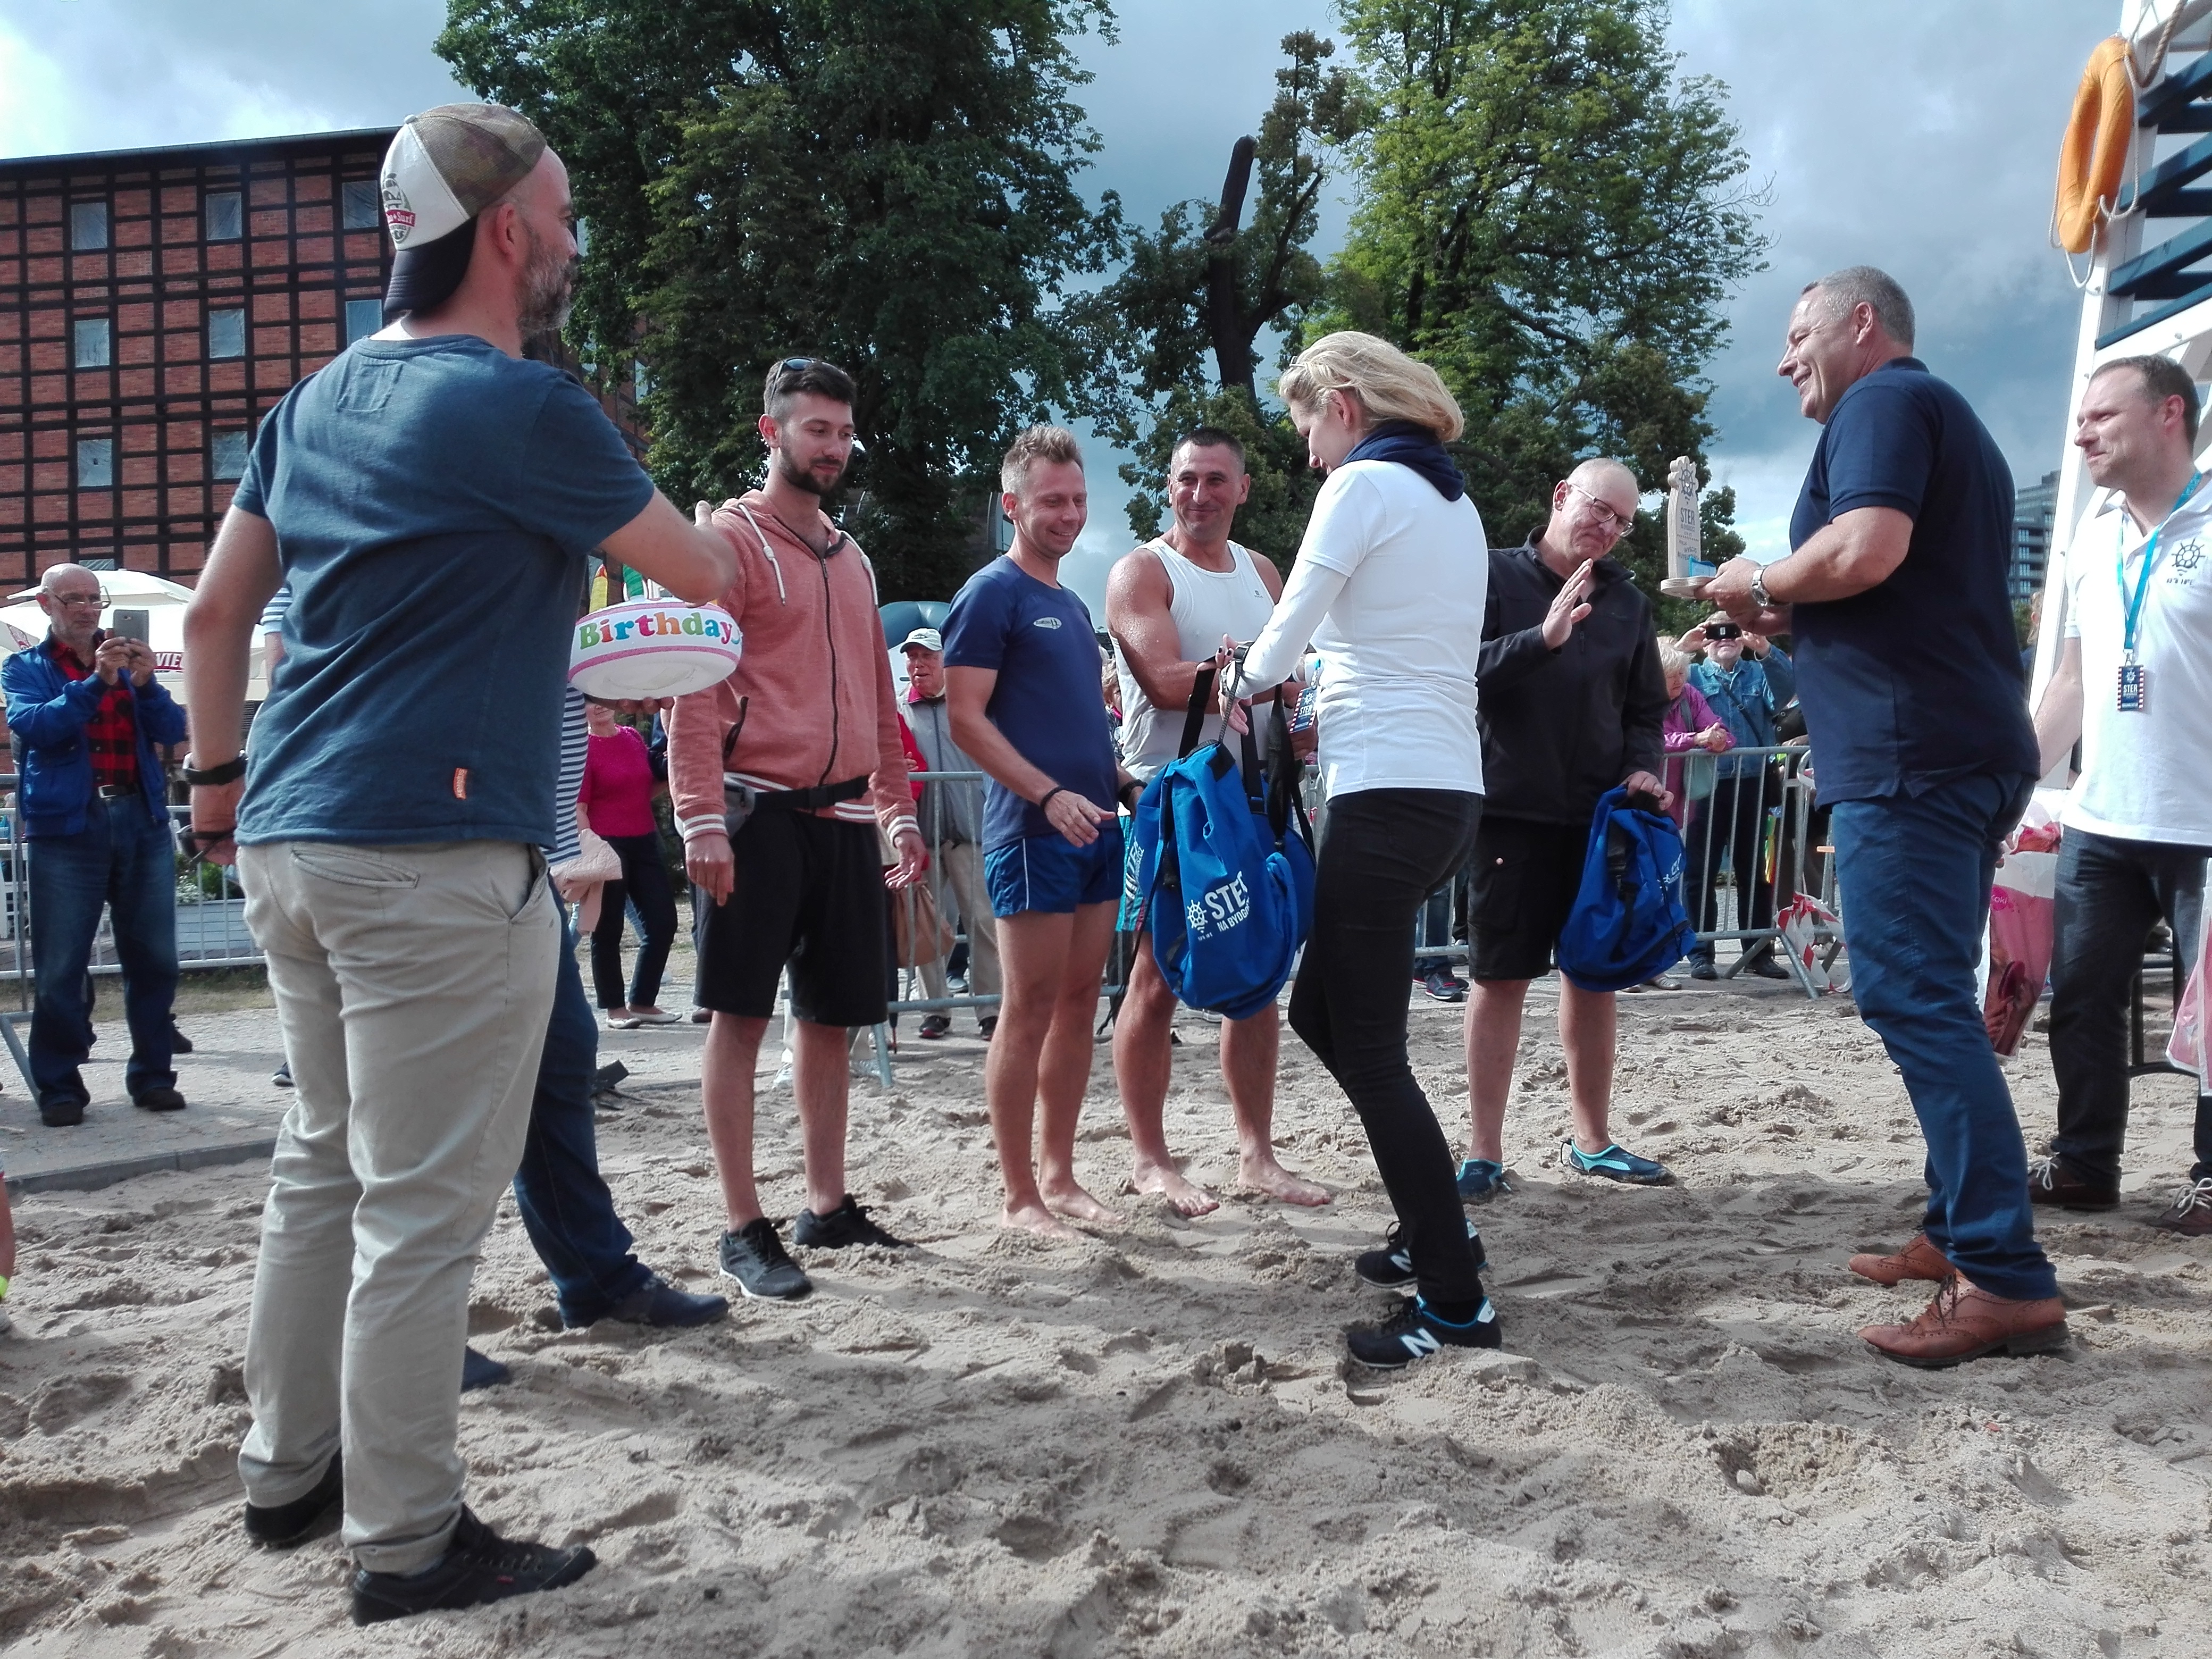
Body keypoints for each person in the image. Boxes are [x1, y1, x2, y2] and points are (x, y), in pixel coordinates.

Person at [180, 103, 738, 1624]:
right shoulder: (527, 406)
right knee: (421, 1212)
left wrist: (215, 791)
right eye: (559, 217)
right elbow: (697, 571)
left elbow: (218, 617)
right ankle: (408, 1540)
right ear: (504, 234)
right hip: (433, 846)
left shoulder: (311, 401)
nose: (571, 243)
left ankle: (286, 1472)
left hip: (289, 831)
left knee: (321, 1161)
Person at [1707, 264, 2065, 1367]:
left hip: (1913, 756)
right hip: (1951, 743)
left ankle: (2002, 1278)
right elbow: (1883, 578)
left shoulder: (1884, 402)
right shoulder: (1936, 414)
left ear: (1861, 324)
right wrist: (1780, 607)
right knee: (1933, 997)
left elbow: (1865, 551)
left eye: (1795, 335)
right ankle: (1958, 1229)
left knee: (1915, 1002)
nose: (1782, 362)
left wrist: (1763, 575)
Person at [1222, 331, 1498, 1369]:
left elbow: (1283, 641)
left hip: (1388, 793)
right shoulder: (1451, 501)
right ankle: (1436, 1229)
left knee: (1373, 1053)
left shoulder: (1363, 486)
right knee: (1322, 1014)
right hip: (1440, 791)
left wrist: (1236, 677)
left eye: (1306, 427)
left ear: (1341, 404)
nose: (1307, 453)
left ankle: (1456, 1300)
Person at [668, 356, 925, 1303]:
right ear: (770, 431)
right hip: (755, 813)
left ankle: (826, 1205)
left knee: (832, 1022)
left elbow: (877, 699)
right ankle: (743, 1226)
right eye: (817, 429)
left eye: (844, 433)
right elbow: (695, 686)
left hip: (846, 816)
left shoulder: (852, 558)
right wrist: (701, 820)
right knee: (740, 1021)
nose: (834, 447)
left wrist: (897, 810)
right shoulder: (727, 543)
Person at [1104, 428, 1328, 1216]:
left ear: (1242, 488)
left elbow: (1287, 683)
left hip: (1253, 793)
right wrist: (1255, 677)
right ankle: (1149, 1159)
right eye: (1186, 479)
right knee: (1154, 976)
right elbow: (1168, 684)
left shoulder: (1261, 570)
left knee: (1258, 971)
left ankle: (1256, 1154)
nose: (1198, 495)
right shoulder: (1141, 571)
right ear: (1168, 485)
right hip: (1172, 795)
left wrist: (1295, 714)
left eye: (1214, 480)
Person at [2030, 354, 2212, 1235]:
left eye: (2101, 416)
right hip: (2102, 819)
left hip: (2203, 824)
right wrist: (2012, 786)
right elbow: (2071, 680)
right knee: (2081, 999)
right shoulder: (2093, 537)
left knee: (2211, 1015)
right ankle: (2084, 1164)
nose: (2081, 434)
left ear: (2168, 413)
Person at [1460, 458, 1674, 1197]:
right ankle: (1484, 1152)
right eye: (1598, 510)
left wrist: (1644, 768)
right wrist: (1540, 639)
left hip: (1599, 820)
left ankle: (1592, 1140)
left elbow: (1644, 711)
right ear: (1560, 497)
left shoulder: (1628, 603)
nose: (1608, 528)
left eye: (1623, 521)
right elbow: (1457, 673)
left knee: (1593, 977)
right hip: (1509, 813)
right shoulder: (1491, 575)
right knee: (1499, 978)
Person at [945, 426, 1133, 1238]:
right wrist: (1048, 794)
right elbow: (965, 719)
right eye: (1052, 501)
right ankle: (1019, 1194)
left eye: (1079, 500)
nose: (1069, 514)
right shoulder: (992, 592)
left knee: (1081, 1003)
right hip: (1031, 828)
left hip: (1095, 824)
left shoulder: (1073, 603)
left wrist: (1126, 783)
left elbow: (1080, 725)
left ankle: (1060, 1175)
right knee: (1027, 1009)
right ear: (1012, 504)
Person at [3, 564, 188, 1126]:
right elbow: (34, 727)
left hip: (141, 818)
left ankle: (153, 1076)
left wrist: (148, 684)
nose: (87, 609)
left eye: (94, 598)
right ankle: (60, 1086)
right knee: (61, 964)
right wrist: (95, 684)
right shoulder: (24, 667)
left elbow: (173, 730)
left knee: (155, 959)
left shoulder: (127, 662)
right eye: (73, 599)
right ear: (46, 605)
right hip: (67, 828)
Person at [898, 628, 1001, 1041]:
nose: (918, 665)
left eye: (928, 656)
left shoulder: (972, 705)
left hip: (973, 832)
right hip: (921, 836)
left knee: (983, 923)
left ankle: (990, 1009)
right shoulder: (899, 711)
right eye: (912, 657)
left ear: (946, 661)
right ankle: (934, 1009)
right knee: (927, 926)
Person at [1680, 616, 1796, 981]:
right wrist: (1683, 649)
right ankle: (1700, 952)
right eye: (1715, 633)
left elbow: (1787, 693)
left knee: (1755, 871)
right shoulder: (1692, 675)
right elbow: (1656, 689)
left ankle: (1758, 953)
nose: (1724, 638)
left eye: (1732, 631)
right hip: (1706, 786)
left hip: (1753, 783)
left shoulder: (1757, 672)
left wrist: (1765, 649)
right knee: (1699, 871)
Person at [579, 701, 680, 1028]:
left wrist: (673, 773)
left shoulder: (632, 737)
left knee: (663, 922)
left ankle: (643, 1002)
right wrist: (590, 849)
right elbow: (579, 808)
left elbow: (643, 788)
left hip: (645, 840)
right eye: (589, 702)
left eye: (603, 699)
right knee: (608, 930)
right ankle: (615, 1009)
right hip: (606, 845)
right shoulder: (583, 748)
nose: (599, 707)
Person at [1640, 638, 1732, 993]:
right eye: (1671, 674)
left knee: (1667, 887)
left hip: (1679, 808)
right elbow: (1651, 739)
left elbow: (1721, 732)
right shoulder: (1638, 699)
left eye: (1682, 672)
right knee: (1637, 885)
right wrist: (1695, 739)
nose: (1679, 680)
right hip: (1640, 803)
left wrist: (1718, 739)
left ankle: (1655, 964)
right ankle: (1632, 963)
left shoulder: (1691, 696)